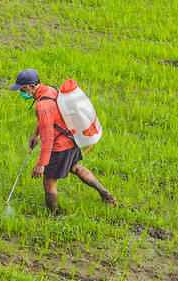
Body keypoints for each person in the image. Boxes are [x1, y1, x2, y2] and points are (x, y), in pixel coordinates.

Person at [9, 69, 118, 215]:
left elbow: (48, 139)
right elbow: (49, 120)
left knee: (48, 180)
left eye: (23, 89)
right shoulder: (50, 90)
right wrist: (36, 133)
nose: (21, 93)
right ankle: (106, 194)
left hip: (60, 146)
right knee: (75, 168)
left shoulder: (42, 106)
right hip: (72, 139)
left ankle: (51, 216)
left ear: (32, 86)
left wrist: (41, 164)